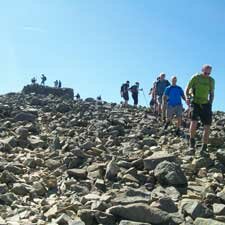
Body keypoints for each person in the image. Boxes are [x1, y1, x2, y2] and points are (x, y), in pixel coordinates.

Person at [186, 64, 215, 157]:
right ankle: (192, 143)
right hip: (195, 102)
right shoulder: (196, 77)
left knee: (207, 126)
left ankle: (204, 147)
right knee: (193, 122)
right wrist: (188, 97)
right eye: (205, 72)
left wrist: (210, 103)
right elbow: (188, 89)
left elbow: (211, 93)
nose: (206, 74)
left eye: (208, 73)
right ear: (202, 70)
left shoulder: (211, 80)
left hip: (206, 104)